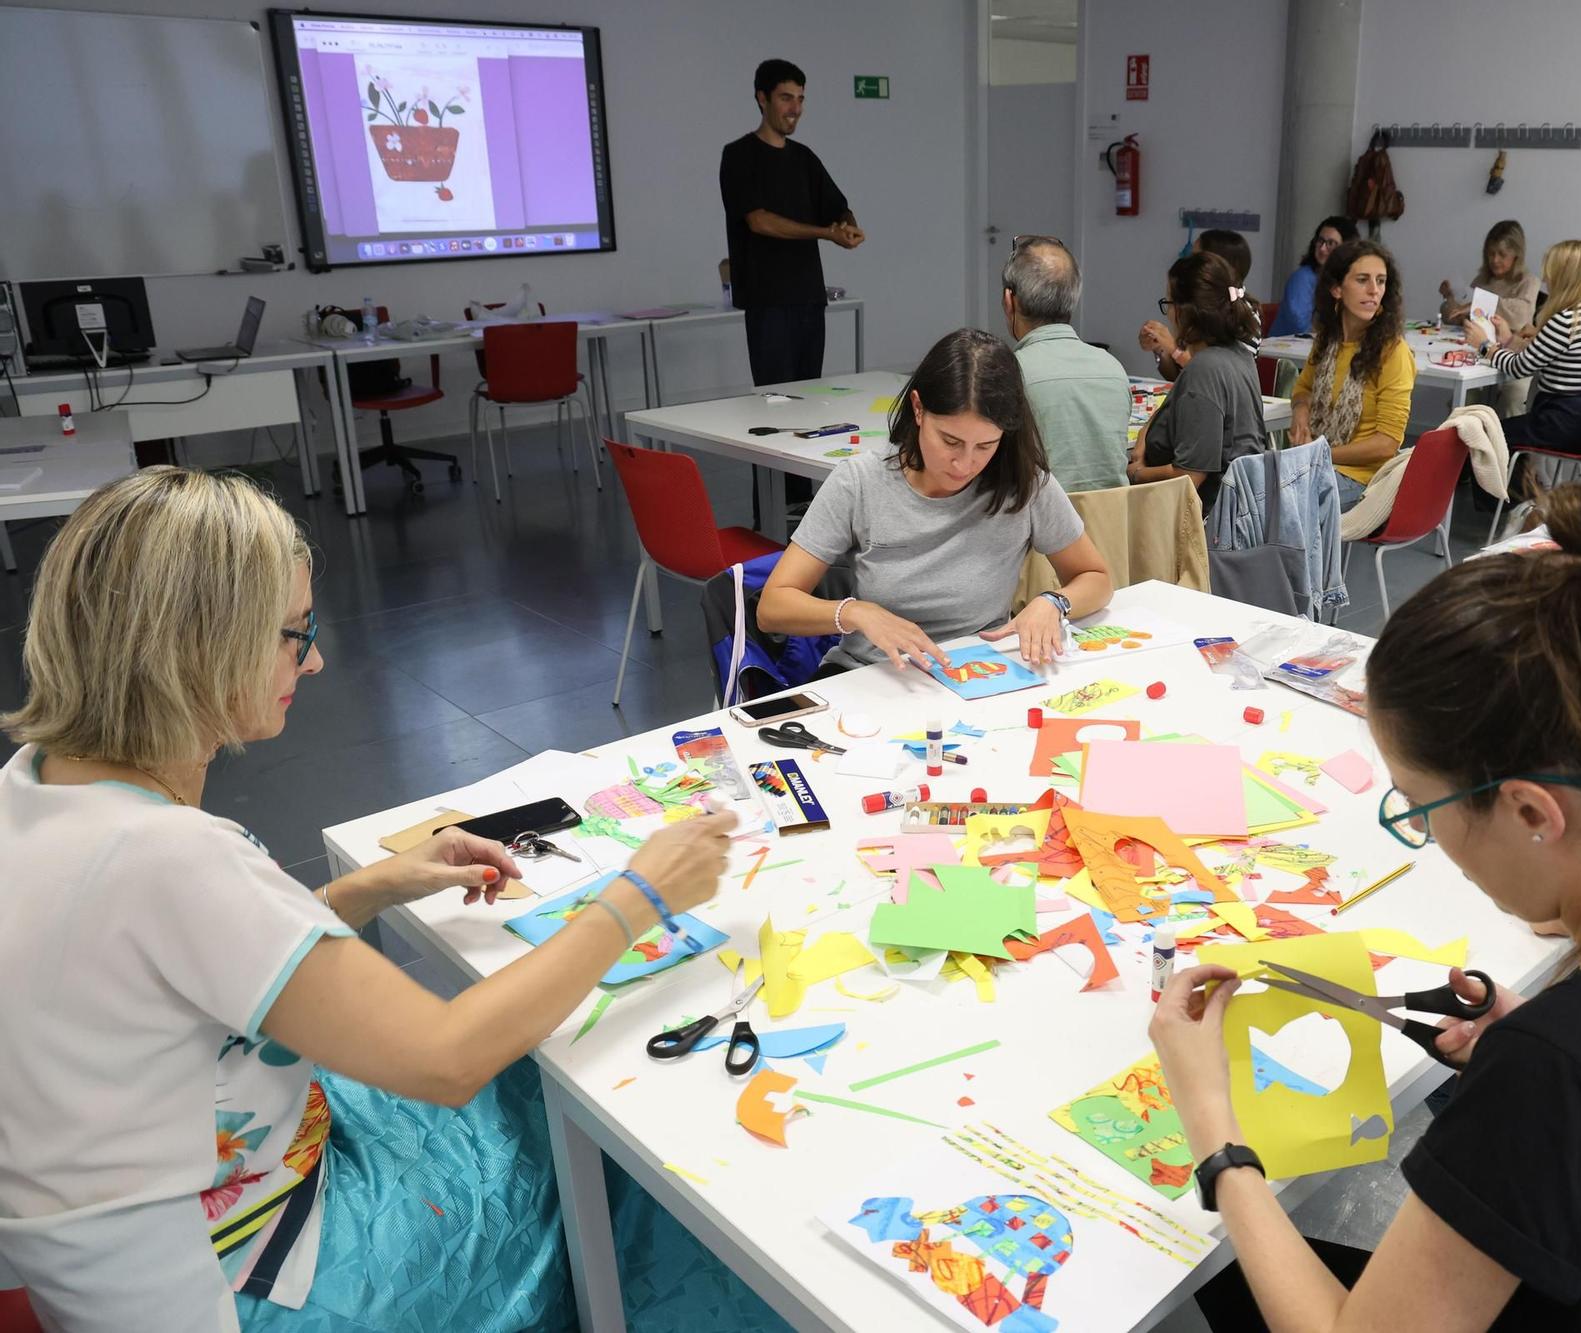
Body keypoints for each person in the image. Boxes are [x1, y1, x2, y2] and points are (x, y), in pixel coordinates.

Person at [0, 469, 753, 1332]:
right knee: (601, 1129)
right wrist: (639, 895)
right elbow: (444, 1058)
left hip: (122, 1248)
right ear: (198, 645)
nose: (313, 659)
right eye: (293, 634)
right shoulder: (172, 858)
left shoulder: (34, 786)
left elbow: (174, 955)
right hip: (234, 1285)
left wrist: (370, 884)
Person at [1151, 480, 1581, 1331]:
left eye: (1419, 806)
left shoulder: (1564, 1074)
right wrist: (1542, 1061)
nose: (1422, 832)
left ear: (1530, 812)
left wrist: (1216, 1133)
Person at [760, 327, 1112, 673]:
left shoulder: (1023, 484)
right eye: (950, 441)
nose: (965, 464)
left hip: (977, 673)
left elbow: (1095, 578)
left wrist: (1054, 602)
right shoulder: (860, 482)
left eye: (986, 446)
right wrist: (856, 613)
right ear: (918, 409)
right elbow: (773, 606)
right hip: (871, 674)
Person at [720, 58, 864, 507]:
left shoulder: (804, 159)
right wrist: (824, 232)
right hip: (767, 303)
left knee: (807, 404)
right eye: (786, 98)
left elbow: (837, 206)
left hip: (806, 300)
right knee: (773, 406)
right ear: (762, 99)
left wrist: (846, 226)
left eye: (800, 99)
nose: (795, 109)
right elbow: (760, 222)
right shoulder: (739, 156)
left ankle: (802, 509)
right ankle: (772, 508)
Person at [1127, 251, 1267, 512]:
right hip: (1242, 513)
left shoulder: (1205, 369)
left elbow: (1190, 475)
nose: (1168, 314)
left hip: (1205, 525)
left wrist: (1135, 475)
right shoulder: (1236, 355)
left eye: (1169, 304)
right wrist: (1146, 433)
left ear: (1185, 311)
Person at [1287, 238, 1415, 512]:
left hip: (1364, 479)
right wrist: (1300, 413)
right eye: (1362, 280)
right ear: (1336, 289)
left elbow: (1386, 445)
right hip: (1320, 464)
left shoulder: (1393, 351)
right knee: (1252, 488)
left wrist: (1319, 454)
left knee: (1280, 502)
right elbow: (1303, 389)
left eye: (1381, 281)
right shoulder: (1327, 340)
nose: (1374, 290)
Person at [1466, 238, 1581, 457]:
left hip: (1561, 424)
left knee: (1483, 437)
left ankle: (1498, 491)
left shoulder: (1565, 321)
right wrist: (1509, 339)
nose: (1546, 279)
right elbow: (1542, 355)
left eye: (1550, 272)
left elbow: (1519, 368)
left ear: (1564, 277)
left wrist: (1484, 346)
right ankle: (1519, 483)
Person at [1002, 236, 1130, 493]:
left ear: (1009, 301)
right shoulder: (1113, 368)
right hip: (1111, 528)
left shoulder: (1010, 374)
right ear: (1073, 299)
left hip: (1042, 529)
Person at [1138, 228, 1256, 381]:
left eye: (1196, 258)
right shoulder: (1201, 315)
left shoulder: (1239, 311)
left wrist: (1173, 349)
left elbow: (1216, 376)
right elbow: (1178, 376)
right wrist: (1161, 348)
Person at [1439, 218, 1537, 333]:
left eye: (1502, 255)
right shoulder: (1482, 280)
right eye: (1491, 254)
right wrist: (1450, 298)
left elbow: (1521, 316)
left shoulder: (1529, 282)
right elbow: (1459, 318)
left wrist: (1481, 303)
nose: (1495, 260)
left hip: (1507, 347)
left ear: (1516, 256)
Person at [1269, 215, 1355, 339]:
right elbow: (1300, 327)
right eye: (1320, 241)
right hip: (1287, 352)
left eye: (1330, 243)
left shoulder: (1348, 279)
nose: (1322, 248)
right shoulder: (1302, 278)